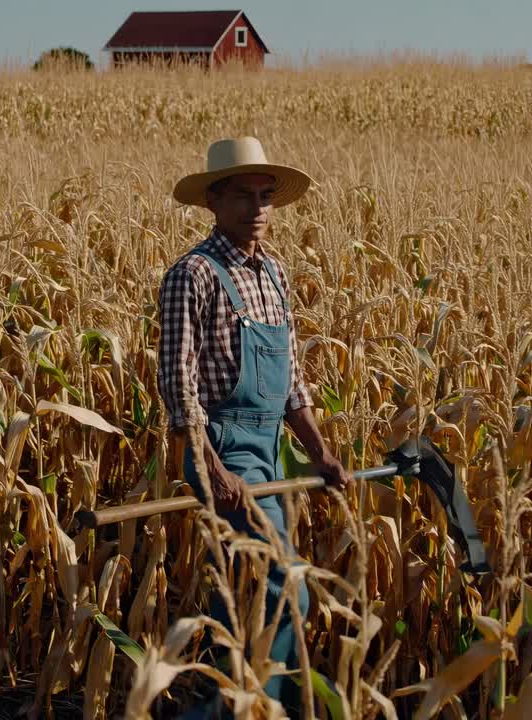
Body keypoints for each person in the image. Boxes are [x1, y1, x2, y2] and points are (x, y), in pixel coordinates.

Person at [157, 136, 352, 716]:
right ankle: (263, 708)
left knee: (236, 595)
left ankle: (225, 703)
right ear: (214, 201)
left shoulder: (274, 275)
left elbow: (291, 383)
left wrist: (319, 452)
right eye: (244, 196)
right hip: (220, 447)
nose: (258, 207)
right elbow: (178, 387)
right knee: (283, 580)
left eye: (266, 196)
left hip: (266, 448)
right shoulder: (191, 276)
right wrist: (212, 467)